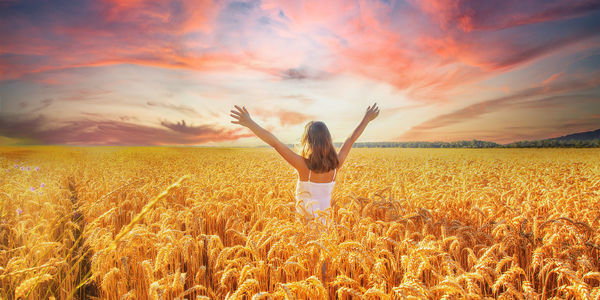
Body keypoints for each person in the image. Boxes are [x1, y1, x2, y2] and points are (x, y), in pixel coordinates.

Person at [229, 103, 380, 226]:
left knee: (305, 262)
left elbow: (275, 142)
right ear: (328, 140)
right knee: (324, 260)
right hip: (326, 223)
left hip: (305, 225)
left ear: (307, 141)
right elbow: (350, 139)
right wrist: (366, 119)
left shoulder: (304, 167)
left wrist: (249, 123)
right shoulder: (336, 165)